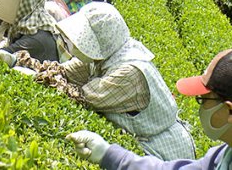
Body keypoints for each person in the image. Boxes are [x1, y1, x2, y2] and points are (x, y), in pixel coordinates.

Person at [66, 49, 232, 169]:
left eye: (202, 99)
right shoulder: (221, 157)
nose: (201, 108)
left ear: (229, 111)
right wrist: (107, 154)